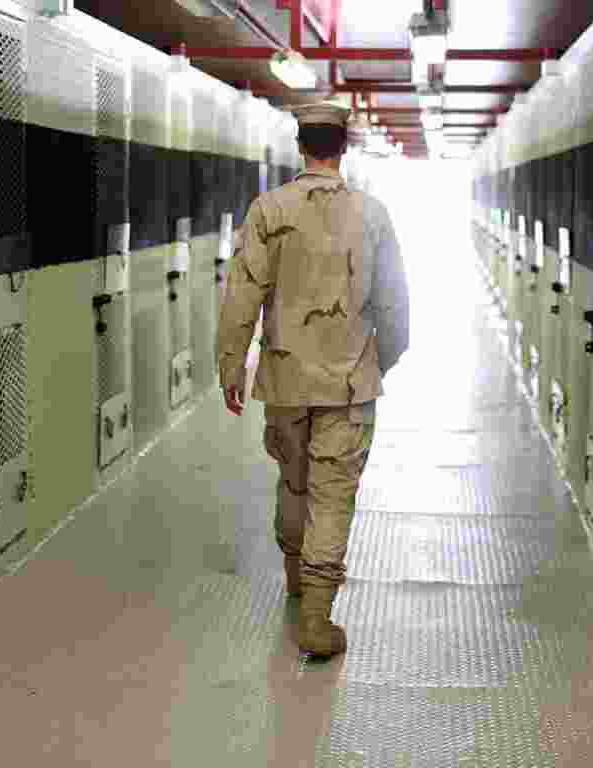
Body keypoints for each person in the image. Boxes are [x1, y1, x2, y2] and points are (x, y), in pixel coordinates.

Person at [217, 101, 409, 659]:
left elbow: (241, 297)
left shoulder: (268, 210)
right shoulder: (372, 215)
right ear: (342, 148)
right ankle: (317, 620)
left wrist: (232, 367)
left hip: (284, 378)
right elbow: (395, 304)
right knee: (333, 494)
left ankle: (296, 579)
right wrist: (380, 361)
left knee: (294, 481)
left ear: (300, 146)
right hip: (348, 384)